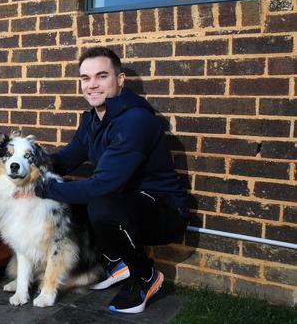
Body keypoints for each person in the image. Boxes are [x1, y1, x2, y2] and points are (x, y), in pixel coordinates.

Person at [35, 46, 189, 314]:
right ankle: (115, 261)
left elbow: (103, 185)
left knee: (98, 204)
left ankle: (145, 275)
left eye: (102, 76)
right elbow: (67, 158)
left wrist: (43, 189)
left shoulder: (135, 121)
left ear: (120, 80)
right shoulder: (92, 119)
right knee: (76, 197)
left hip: (163, 210)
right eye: (86, 78)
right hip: (125, 202)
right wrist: (29, 166)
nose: (92, 85)